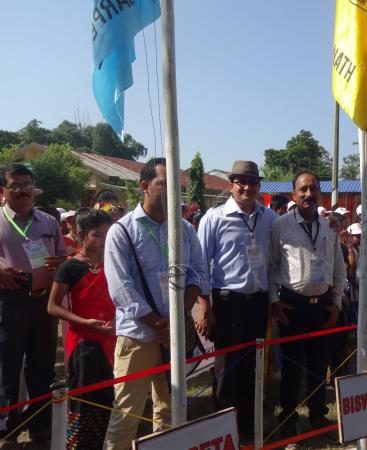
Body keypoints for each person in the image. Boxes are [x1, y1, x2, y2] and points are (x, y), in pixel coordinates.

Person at [102, 158, 204, 449]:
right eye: (165, 184)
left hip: (173, 334)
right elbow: (121, 288)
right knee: (126, 415)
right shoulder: (122, 231)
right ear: (145, 186)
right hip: (138, 336)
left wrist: (177, 317)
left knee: (170, 410)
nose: (174, 191)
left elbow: (198, 273)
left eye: (177, 185)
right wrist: (158, 324)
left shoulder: (184, 230)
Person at [196, 160, 277, 439]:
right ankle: (222, 433)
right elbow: (200, 265)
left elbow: (274, 262)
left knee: (253, 367)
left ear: (259, 186)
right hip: (227, 303)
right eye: (241, 181)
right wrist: (205, 306)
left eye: (252, 182)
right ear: (231, 184)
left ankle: (248, 429)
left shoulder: (269, 218)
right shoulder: (214, 218)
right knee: (226, 369)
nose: (247, 187)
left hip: (258, 303)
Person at [270, 170, 346, 438]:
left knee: (318, 363)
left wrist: (336, 302)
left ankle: (317, 415)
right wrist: (274, 301)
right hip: (292, 305)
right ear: (294, 194)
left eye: (313, 189)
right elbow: (271, 266)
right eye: (303, 189)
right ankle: (288, 419)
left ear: (320, 194)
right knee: (292, 366)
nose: (308, 194)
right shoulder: (280, 226)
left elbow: (339, 268)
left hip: (322, 306)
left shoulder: (329, 227)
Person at [0, 164, 66, 449]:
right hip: (8, 299)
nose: (22, 190)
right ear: (3, 190)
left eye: (27, 184)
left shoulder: (48, 222)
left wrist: (60, 262)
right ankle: (7, 431)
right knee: (7, 367)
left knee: (42, 366)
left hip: (42, 300)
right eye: (15, 185)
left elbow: (63, 255)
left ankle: (40, 428)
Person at [47, 209, 116, 449]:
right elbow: (52, 306)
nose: (103, 240)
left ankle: (108, 441)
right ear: (82, 234)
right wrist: (84, 322)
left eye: (107, 234)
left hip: (113, 338)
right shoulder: (70, 267)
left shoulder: (114, 263)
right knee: (84, 397)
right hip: (83, 342)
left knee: (110, 394)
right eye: (98, 235)